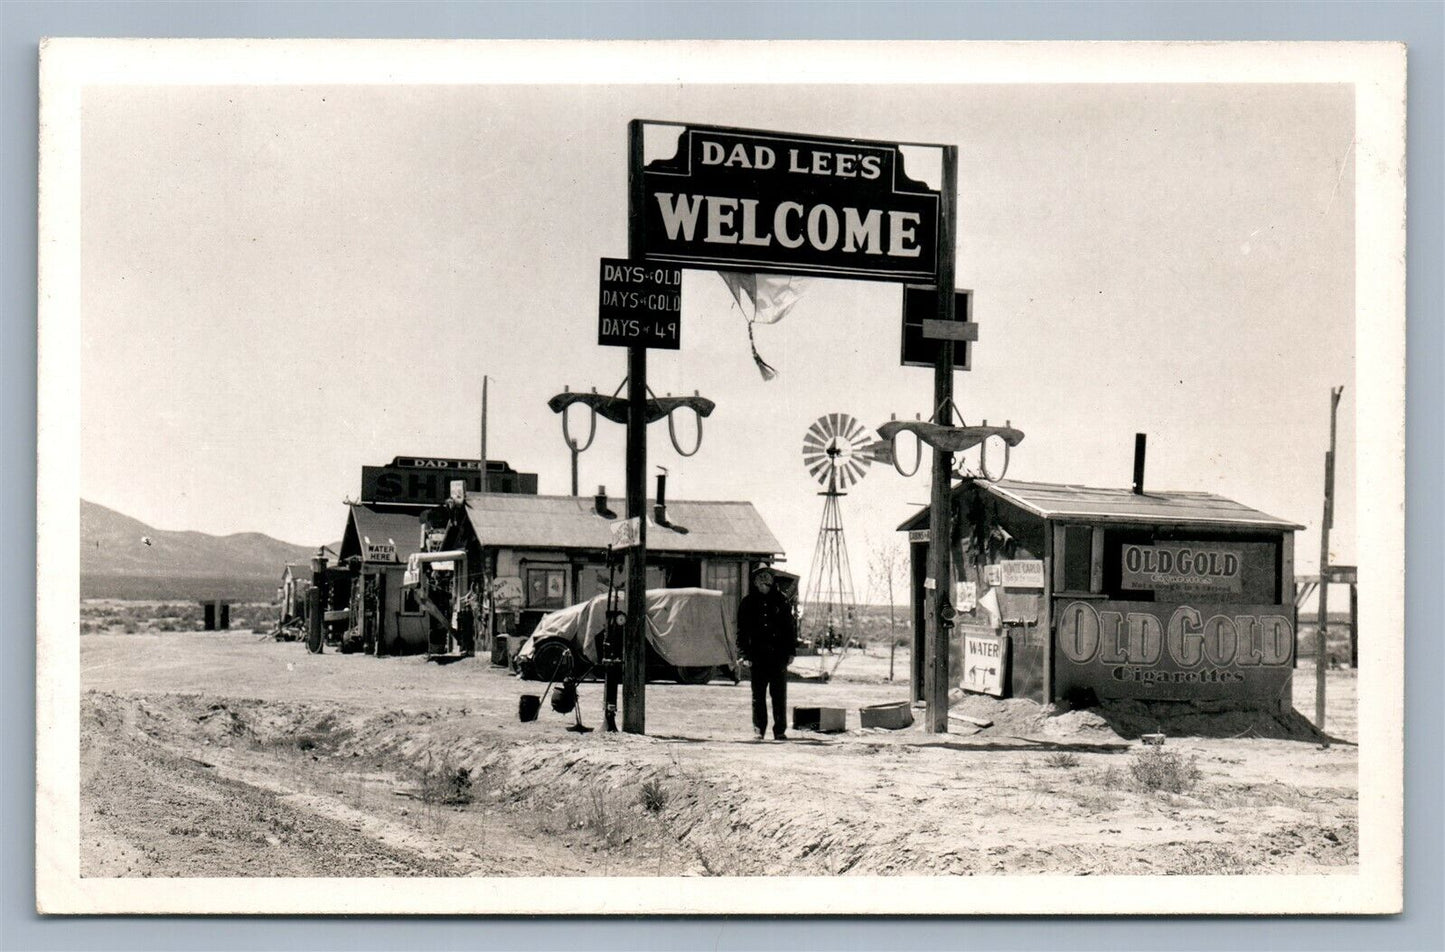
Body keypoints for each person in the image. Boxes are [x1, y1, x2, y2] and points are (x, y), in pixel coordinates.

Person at [737, 567, 797, 740]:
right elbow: (742, 632)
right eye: (760, 577)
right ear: (755, 581)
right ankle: (759, 730)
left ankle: (780, 731)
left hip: (778, 656)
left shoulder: (781, 601)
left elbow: (789, 628)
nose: (764, 580)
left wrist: (791, 652)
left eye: (767, 576)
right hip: (757, 656)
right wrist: (743, 654)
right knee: (758, 695)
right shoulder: (748, 602)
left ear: (772, 580)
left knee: (779, 695)